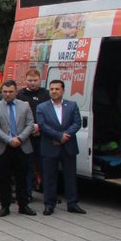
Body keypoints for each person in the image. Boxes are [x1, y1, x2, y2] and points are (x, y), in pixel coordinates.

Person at [35, 78, 86, 215]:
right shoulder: (42, 107)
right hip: (50, 146)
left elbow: (77, 123)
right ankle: (49, 204)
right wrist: (58, 137)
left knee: (70, 176)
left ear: (63, 90)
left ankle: (72, 203)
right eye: (51, 89)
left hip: (68, 146)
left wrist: (65, 136)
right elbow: (42, 125)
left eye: (57, 89)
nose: (54, 91)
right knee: (49, 176)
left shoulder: (72, 105)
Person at [0, 80, 37, 217]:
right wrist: (9, 140)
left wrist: (20, 138)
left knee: (22, 177)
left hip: (22, 146)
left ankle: (23, 204)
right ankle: (5, 205)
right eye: (5, 92)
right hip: (3, 147)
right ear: (1, 92)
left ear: (16, 92)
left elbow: (30, 124)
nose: (8, 94)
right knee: (4, 179)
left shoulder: (25, 105)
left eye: (10, 92)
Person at [18, 68, 46, 193]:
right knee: (27, 166)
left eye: (35, 80)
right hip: (26, 136)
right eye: (30, 80)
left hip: (42, 135)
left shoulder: (46, 94)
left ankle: (47, 192)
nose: (33, 83)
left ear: (40, 80)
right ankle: (28, 193)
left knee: (44, 165)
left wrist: (39, 127)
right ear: (25, 80)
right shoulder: (20, 95)